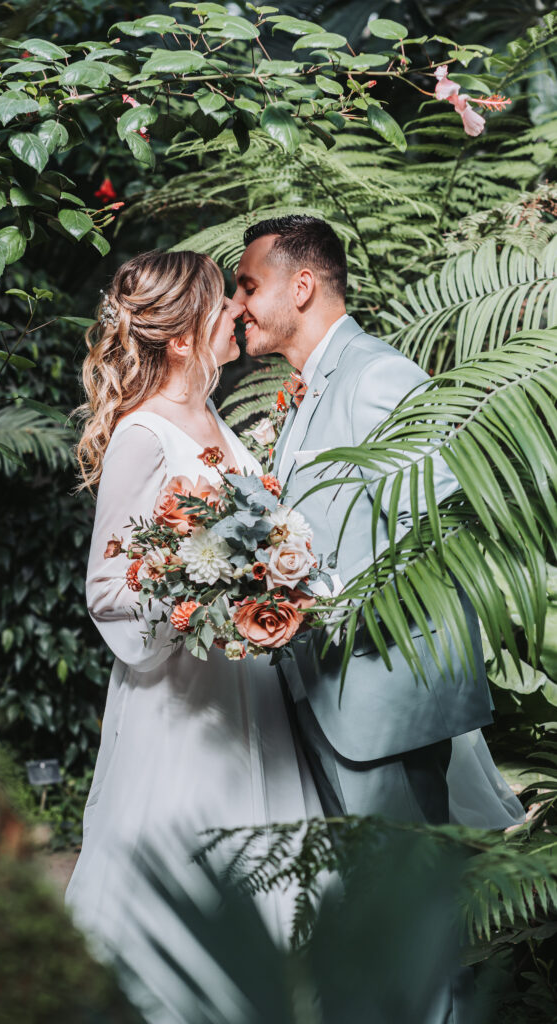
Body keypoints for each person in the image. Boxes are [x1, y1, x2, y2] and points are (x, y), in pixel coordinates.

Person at [233, 214, 524, 1023]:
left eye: (249, 285)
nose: (238, 305)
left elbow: (437, 527)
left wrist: (320, 601)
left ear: (302, 285)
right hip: (326, 695)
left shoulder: (375, 375)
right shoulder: (306, 392)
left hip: (385, 697)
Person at [64, 250, 322, 1022]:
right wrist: (198, 594)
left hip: (246, 688)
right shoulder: (143, 434)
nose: (236, 313)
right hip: (183, 701)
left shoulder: (210, 418)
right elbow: (106, 587)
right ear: (181, 338)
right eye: (221, 304)